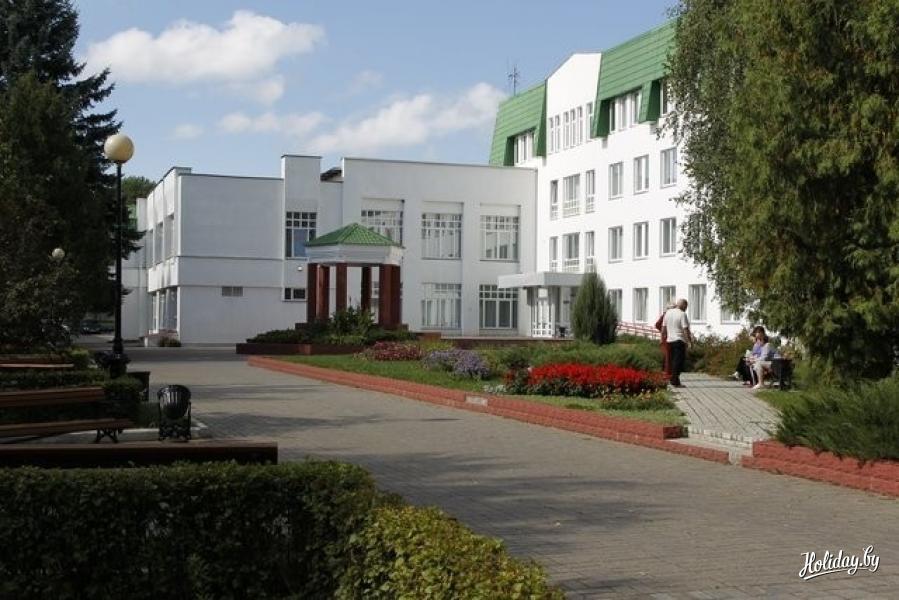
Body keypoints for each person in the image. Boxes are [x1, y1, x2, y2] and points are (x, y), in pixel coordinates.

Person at [661, 298, 693, 387]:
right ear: (683, 305)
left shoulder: (668, 313)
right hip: (679, 340)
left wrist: (663, 338)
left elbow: (663, 328)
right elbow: (685, 329)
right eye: (686, 306)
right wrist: (689, 341)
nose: (686, 308)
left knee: (672, 361)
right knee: (678, 362)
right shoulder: (682, 314)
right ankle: (675, 381)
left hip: (669, 340)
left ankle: (673, 379)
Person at [655, 302, 676, 378]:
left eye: (674, 308)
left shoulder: (674, 315)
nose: (674, 309)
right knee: (668, 356)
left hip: (673, 337)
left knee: (671, 356)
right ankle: (667, 373)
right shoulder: (665, 315)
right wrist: (664, 331)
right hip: (666, 337)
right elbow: (657, 324)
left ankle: (670, 372)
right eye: (673, 308)